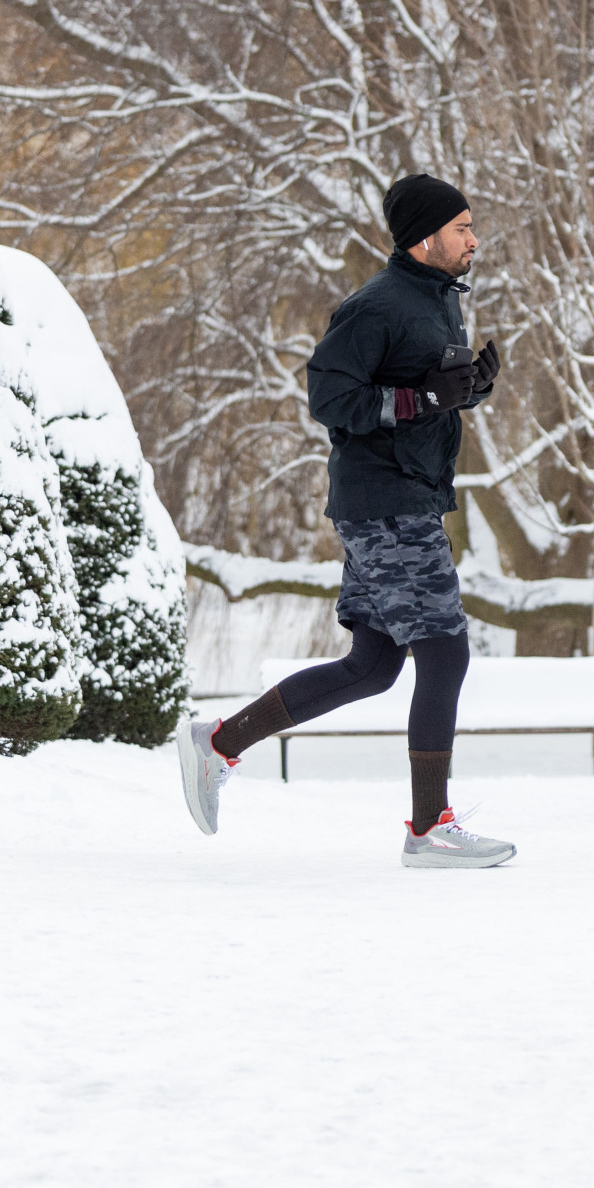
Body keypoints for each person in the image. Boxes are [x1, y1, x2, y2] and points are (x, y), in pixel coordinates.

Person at [175, 174, 513, 867]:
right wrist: (424, 400)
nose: (474, 239)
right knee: (444, 650)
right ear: (424, 237)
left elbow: (421, 394)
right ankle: (427, 828)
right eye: (461, 228)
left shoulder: (439, 301)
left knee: (374, 664)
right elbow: (331, 398)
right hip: (387, 504)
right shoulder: (377, 305)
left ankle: (217, 743)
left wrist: (465, 391)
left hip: (401, 498)